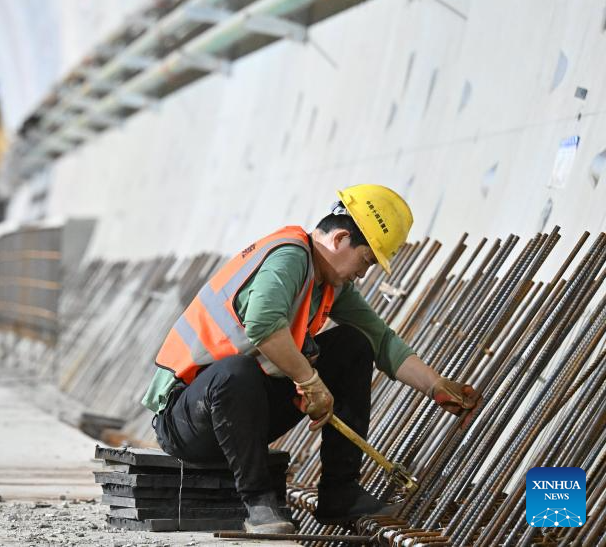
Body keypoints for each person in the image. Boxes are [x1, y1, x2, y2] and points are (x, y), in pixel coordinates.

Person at [141, 184, 482, 534]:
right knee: (236, 371)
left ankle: (340, 493)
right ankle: (259, 504)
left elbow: (380, 340)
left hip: (245, 416)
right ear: (339, 239)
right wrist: (310, 381)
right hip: (188, 418)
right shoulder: (289, 257)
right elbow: (263, 325)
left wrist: (437, 385)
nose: (363, 273)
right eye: (365, 260)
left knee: (354, 344)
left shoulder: (329, 283)